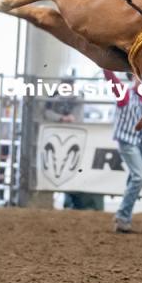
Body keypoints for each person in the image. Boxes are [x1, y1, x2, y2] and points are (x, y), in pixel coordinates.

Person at [104, 70, 142, 233]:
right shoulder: (125, 94)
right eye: (139, 77)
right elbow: (111, 79)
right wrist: (103, 62)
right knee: (139, 179)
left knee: (135, 180)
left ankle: (124, 219)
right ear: (132, 78)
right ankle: (122, 216)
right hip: (128, 142)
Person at [43, 78, 104, 211]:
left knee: (72, 169)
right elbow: (47, 112)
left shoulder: (78, 97)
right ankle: (68, 202)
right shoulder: (54, 96)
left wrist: (64, 118)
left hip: (74, 138)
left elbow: (75, 117)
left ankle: (72, 202)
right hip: (60, 138)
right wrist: (62, 118)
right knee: (62, 170)